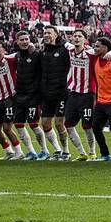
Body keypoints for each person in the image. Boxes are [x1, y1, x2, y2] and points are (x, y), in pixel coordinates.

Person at [37, 25, 72, 161]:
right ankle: (57, 150)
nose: (46, 35)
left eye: (49, 33)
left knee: (59, 123)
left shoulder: (64, 50)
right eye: (44, 33)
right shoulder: (42, 52)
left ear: (56, 34)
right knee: (45, 123)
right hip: (47, 93)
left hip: (61, 93)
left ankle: (66, 152)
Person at [11, 31, 46, 160]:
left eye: (26, 39)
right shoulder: (17, 56)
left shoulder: (36, 55)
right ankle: (31, 152)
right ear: (17, 42)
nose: (24, 42)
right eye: (22, 40)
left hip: (33, 95)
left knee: (33, 123)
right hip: (20, 95)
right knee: (18, 123)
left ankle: (44, 150)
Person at [0, 40, 24, 160]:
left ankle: (19, 152)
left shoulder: (10, 59)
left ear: (4, 49)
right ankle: (8, 151)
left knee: (7, 128)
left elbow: (21, 53)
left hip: (11, 98)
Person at [64, 28, 96, 161]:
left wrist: (110, 52)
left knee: (87, 125)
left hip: (87, 94)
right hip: (73, 94)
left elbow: (105, 52)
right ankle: (81, 153)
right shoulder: (70, 49)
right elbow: (61, 42)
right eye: (75, 36)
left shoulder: (91, 53)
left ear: (85, 39)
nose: (76, 38)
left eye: (79, 36)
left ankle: (92, 152)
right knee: (68, 125)